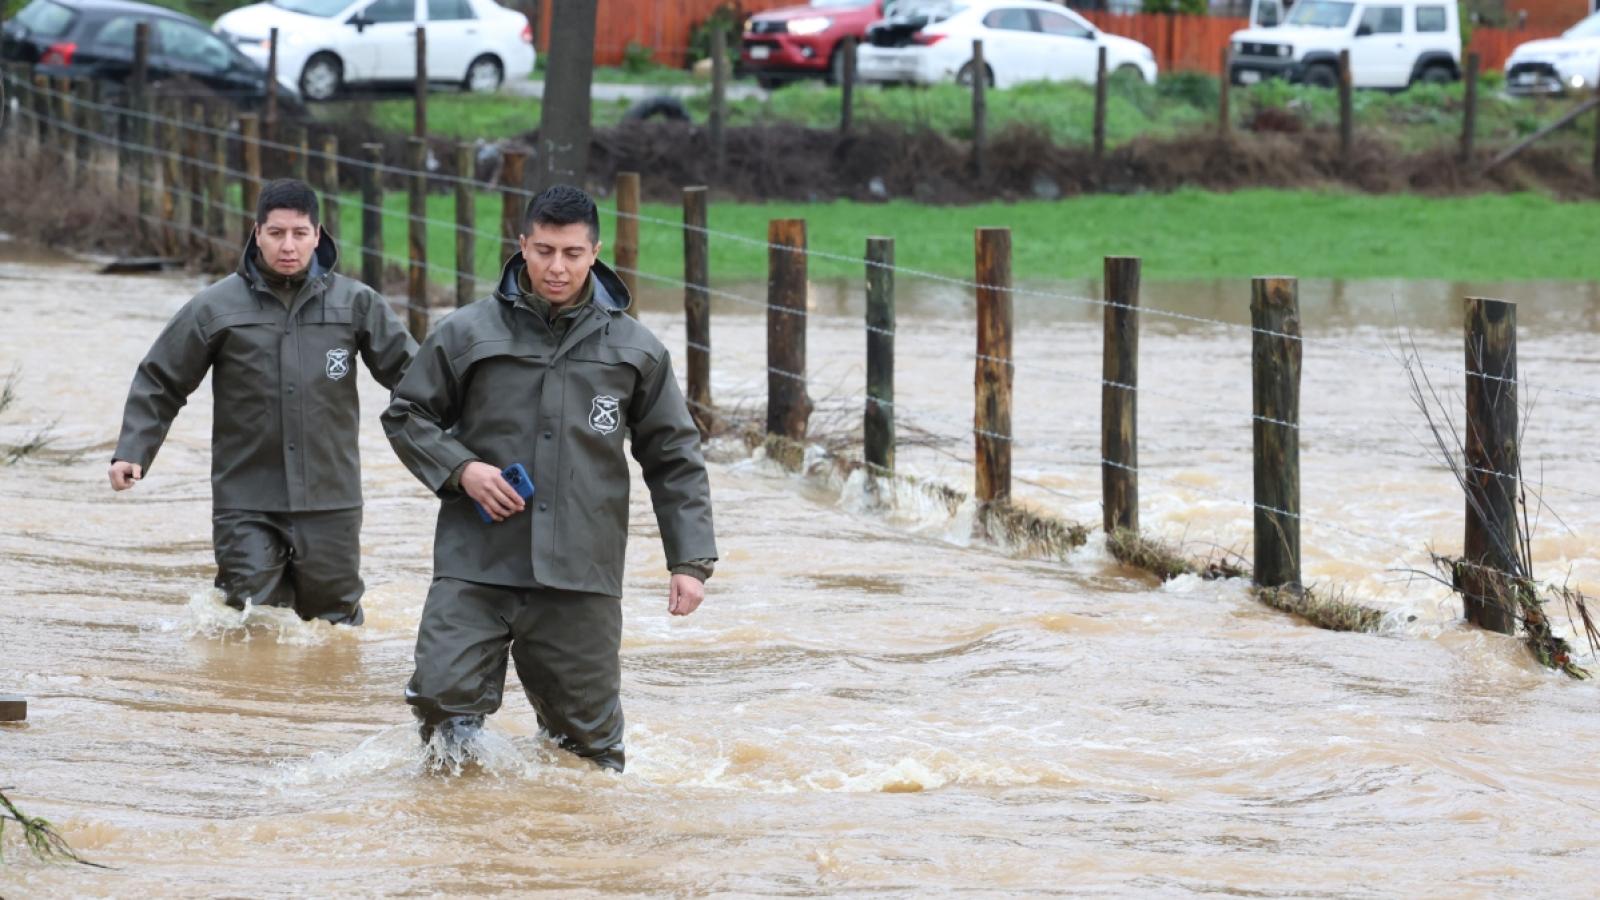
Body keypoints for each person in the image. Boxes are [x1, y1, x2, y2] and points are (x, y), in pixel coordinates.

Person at [382, 184, 717, 772]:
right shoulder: (466, 333)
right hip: (476, 561)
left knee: (587, 753)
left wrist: (689, 562)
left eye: (570, 253)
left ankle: (570, 852)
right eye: (542, 251)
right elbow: (407, 414)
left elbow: (673, 456)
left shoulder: (637, 350)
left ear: (596, 253)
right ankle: (460, 841)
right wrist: (463, 469)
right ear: (521, 246)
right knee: (440, 704)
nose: (555, 268)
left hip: (580, 573)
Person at [109, 179, 415, 626]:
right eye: (276, 233)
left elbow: (413, 378)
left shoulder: (357, 305)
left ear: (318, 234)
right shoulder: (215, 308)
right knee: (250, 620)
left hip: (330, 497)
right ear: (257, 233)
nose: (287, 245)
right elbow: (161, 380)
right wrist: (132, 451)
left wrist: (461, 445)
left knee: (334, 625)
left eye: (298, 233)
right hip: (246, 499)